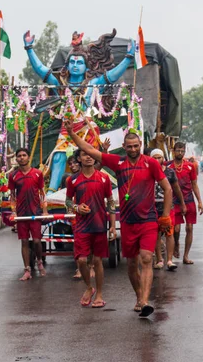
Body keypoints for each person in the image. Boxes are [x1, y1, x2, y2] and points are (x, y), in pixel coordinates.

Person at [66, 118, 172, 318]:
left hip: (148, 220)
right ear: (123, 147)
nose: (132, 149)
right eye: (129, 146)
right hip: (128, 222)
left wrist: (165, 217)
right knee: (132, 264)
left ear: (141, 145)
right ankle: (139, 296)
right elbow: (89, 149)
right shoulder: (117, 162)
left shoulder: (151, 163)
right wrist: (72, 134)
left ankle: (146, 301)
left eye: (136, 146)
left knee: (147, 258)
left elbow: (167, 188)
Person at [65, 149, 116, 308]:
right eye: (84, 155)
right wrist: (76, 207)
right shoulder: (72, 180)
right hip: (81, 226)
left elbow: (110, 202)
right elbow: (67, 202)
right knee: (81, 260)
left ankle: (99, 294)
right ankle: (89, 287)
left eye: (91, 154)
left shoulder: (104, 178)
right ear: (78, 159)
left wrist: (113, 226)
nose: (89, 157)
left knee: (97, 260)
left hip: (100, 225)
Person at [9, 148, 48, 281]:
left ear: (28, 157)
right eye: (19, 156)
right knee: (24, 241)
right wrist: (14, 212)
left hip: (35, 212)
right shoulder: (13, 175)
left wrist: (44, 210)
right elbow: (12, 196)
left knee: (37, 241)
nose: (21, 158)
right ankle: (27, 270)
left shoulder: (37, 173)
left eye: (24, 155)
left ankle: (39, 262)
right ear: (16, 158)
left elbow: (42, 193)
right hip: (21, 214)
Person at [167, 142, 203, 264]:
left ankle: (186, 256)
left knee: (189, 227)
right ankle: (176, 243)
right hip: (174, 200)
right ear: (173, 151)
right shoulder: (168, 167)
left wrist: (199, 201)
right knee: (176, 229)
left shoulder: (190, 166)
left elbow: (194, 184)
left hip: (188, 199)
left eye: (182, 151)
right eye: (178, 150)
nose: (180, 153)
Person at [150, 149, 186, 271]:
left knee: (169, 233)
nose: (157, 160)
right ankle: (159, 259)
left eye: (159, 157)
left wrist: (182, 204)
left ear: (163, 159)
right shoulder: (148, 172)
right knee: (156, 234)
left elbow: (176, 189)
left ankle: (169, 260)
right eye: (154, 158)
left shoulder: (170, 173)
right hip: (152, 208)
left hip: (168, 208)